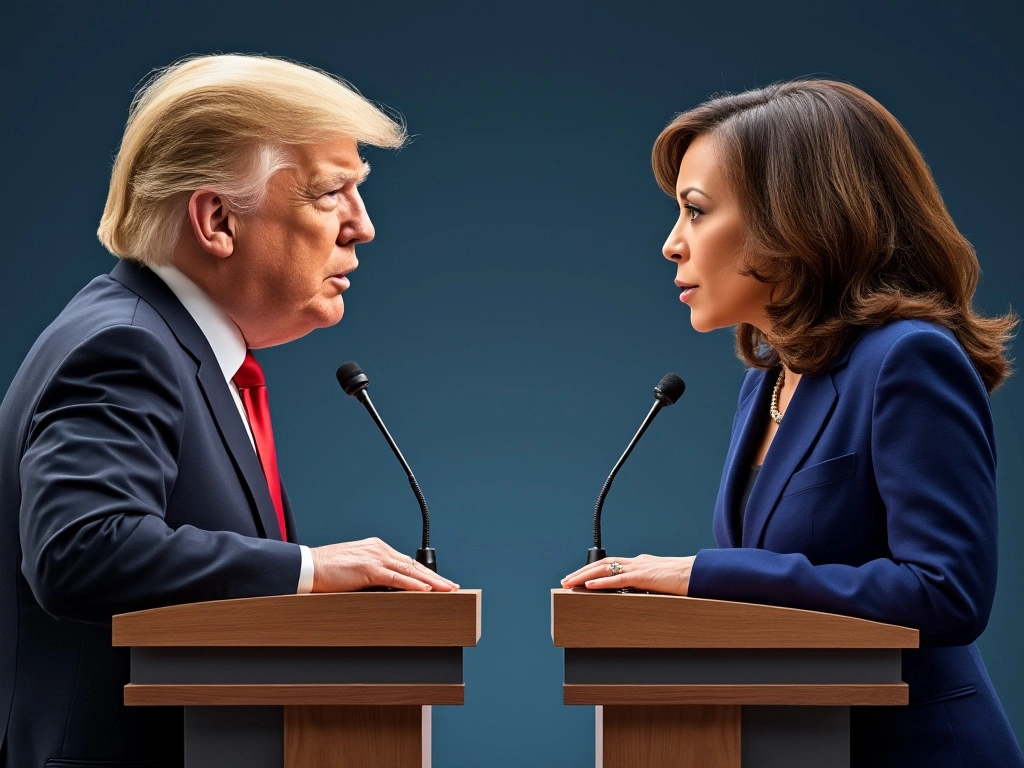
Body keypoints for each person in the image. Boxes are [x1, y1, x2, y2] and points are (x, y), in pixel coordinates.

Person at [0, 54, 458, 768]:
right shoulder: (124, 345)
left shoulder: (183, 350)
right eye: (331, 192)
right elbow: (78, 552)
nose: (361, 226)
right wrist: (308, 568)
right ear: (216, 218)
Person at [562, 80, 1022, 766]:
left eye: (694, 212)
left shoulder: (908, 359)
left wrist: (704, 574)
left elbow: (947, 593)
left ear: (794, 220)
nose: (671, 244)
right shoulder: (770, 379)